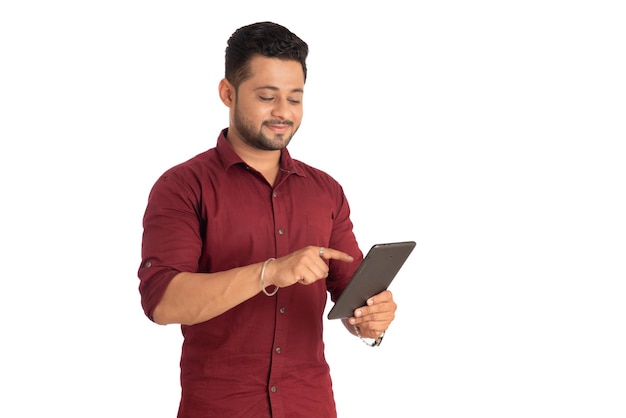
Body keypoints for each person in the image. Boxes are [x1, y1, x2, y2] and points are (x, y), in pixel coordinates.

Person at [138, 21, 398, 418]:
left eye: (295, 99)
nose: (283, 112)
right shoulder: (182, 187)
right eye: (266, 96)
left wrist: (370, 322)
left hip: (310, 406)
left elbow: (351, 299)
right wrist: (270, 272)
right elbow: (162, 302)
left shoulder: (325, 191)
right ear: (228, 93)